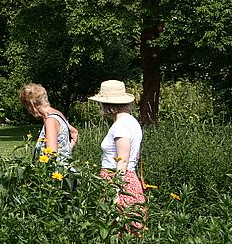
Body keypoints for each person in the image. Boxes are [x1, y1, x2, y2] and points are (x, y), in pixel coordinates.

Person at [88, 80, 146, 231]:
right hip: (127, 179)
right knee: (131, 232)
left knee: (121, 231)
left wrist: (115, 190)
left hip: (119, 181)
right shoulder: (130, 121)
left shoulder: (122, 125)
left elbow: (123, 160)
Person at [19, 83, 79, 190]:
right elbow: (74, 134)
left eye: (27, 107)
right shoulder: (58, 114)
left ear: (32, 105)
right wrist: (65, 151)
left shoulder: (50, 121)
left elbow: (51, 153)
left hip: (58, 179)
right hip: (67, 174)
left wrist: (35, 178)